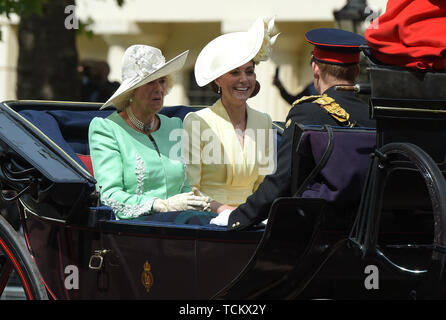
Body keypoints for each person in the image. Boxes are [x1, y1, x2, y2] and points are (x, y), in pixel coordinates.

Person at [211, 28, 376, 229]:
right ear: (356, 71)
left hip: (318, 228)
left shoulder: (308, 112)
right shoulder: (374, 115)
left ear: (316, 69)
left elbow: (282, 179)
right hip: (367, 226)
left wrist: (239, 217)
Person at [88, 44, 212, 220]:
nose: (159, 89)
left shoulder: (175, 126)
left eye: (162, 81)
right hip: (137, 230)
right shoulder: (106, 129)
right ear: (132, 90)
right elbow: (110, 196)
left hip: (183, 223)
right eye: (150, 82)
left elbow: (188, 186)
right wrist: (160, 205)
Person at [183, 17, 279, 214]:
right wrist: (225, 211)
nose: (244, 79)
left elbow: (266, 184)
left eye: (249, 71)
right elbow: (189, 188)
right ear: (218, 79)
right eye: (235, 72)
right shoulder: (197, 122)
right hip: (205, 220)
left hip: (252, 220)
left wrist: (252, 215)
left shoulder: (264, 121)